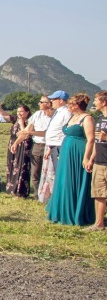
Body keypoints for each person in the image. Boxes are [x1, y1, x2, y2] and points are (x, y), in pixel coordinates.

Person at [47, 94, 95, 226]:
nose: (68, 107)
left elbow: (91, 139)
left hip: (78, 152)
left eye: (70, 105)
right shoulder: (73, 117)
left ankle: (76, 212)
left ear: (76, 105)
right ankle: (61, 210)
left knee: (74, 180)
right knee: (63, 180)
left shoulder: (87, 118)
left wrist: (86, 157)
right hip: (66, 152)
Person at [35, 91, 73, 203]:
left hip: (60, 146)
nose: (51, 101)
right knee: (52, 174)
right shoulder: (58, 112)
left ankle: (60, 199)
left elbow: (66, 131)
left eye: (54, 99)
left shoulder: (66, 113)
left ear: (61, 100)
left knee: (58, 174)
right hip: (53, 146)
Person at [16, 95, 54, 197]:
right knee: (35, 173)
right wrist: (16, 143)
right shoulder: (37, 114)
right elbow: (27, 130)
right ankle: (37, 195)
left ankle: (49, 196)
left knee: (48, 173)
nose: (39, 104)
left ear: (48, 104)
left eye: (41, 102)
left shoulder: (55, 116)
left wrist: (30, 132)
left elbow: (46, 133)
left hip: (49, 146)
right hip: (37, 146)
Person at [85, 91, 107, 231]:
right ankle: (99, 224)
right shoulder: (99, 118)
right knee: (98, 193)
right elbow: (96, 142)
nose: (94, 103)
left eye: (96, 100)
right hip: (99, 161)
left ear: (104, 102)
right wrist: (91, 158)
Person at [6, 105, 33, 198]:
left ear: (27, 112)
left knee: (22, 167)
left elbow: (25, 134)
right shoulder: (15, 120)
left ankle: (21, 191)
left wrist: (22, 123)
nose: (19, 113)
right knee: (12, 166)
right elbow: (4, 115)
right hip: (13, 145)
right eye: (18, 112)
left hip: (23, 146)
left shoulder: (30, 122)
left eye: (21, 111)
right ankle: (12, 189)